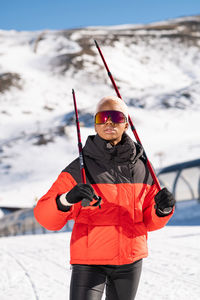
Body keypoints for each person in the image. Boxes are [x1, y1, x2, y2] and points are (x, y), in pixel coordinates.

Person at [34, 95, 175, 300]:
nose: (108, 122)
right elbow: (45, 218)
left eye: (115, 117)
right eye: (102, 117)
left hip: (130, 261)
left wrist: (162, 210)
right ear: (95, 124)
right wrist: (65, 199)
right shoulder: (77, 169)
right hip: (89, 262)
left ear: (126, 123)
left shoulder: (143, 168)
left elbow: (149, 221)